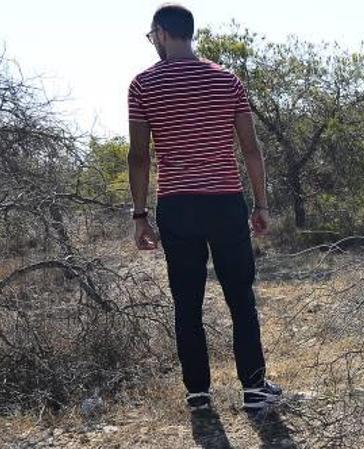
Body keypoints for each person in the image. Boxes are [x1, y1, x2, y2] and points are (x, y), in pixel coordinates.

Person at [126, 3, 281, 411]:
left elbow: (139, 157)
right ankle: (253, 388)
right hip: (224, 201)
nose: (152, 43)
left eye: (151, 36)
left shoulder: (143, 85)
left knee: (187, 300)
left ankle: (198, 393)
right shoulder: (226, 80)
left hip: (176, 206)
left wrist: (139, 215)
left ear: (161, 32)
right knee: (239, 296)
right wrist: (261, 204)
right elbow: (250, 148)